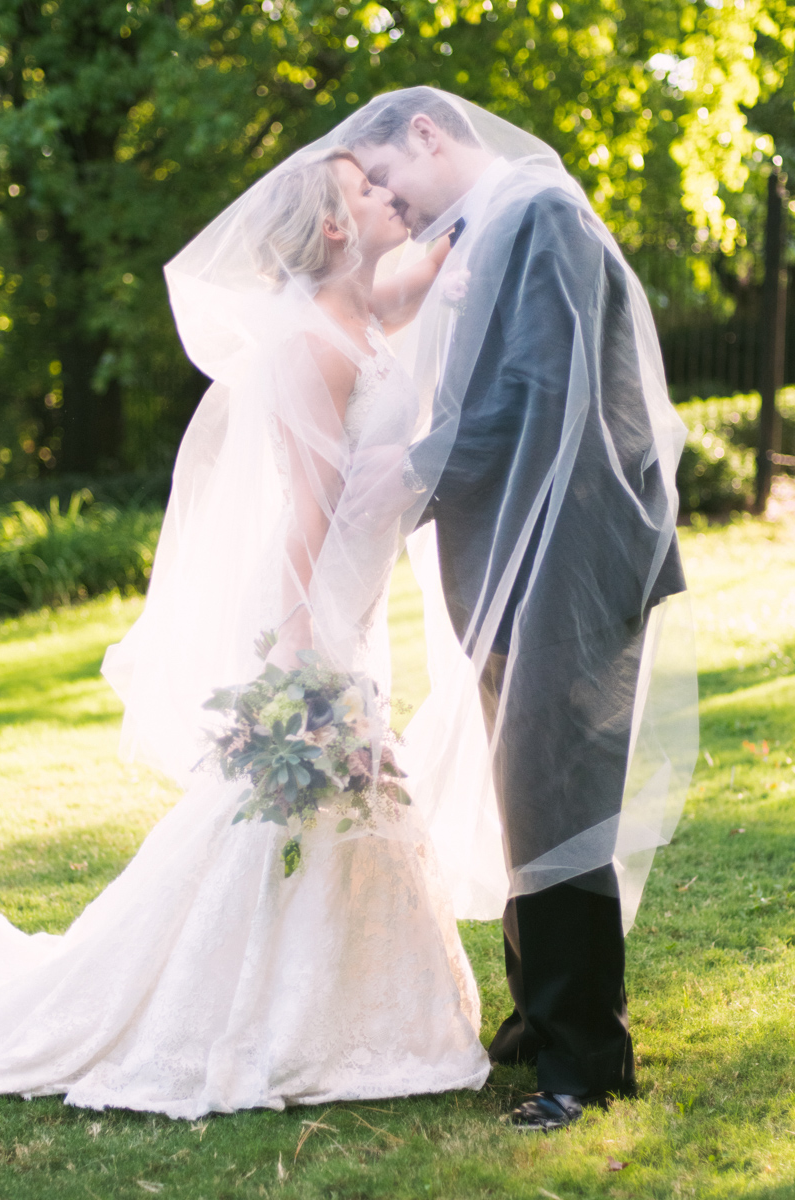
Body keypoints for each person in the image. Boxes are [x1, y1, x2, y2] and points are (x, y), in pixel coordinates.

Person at [0, 146, 491, 1118]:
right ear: (337, 227)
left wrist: (468, 204)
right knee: (280, 807)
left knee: (312, 808)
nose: (390, 197)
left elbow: (420, 278)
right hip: (313, 611)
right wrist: (301, 654)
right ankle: (256, 1009)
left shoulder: (359, 314)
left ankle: (345, 1003)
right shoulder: (314, 339)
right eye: (367, 190)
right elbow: (306, 513)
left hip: (345, 604)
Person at [333, 88, 698, 1131]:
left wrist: (400, 480)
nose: (387, 206)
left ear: (427, 134)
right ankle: (541, 1022)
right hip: (525, 554)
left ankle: (584, 1057)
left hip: (571, 552)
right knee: (522, 787)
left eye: (386, 180)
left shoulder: (533, 213)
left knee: (557, 792)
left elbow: (535, 391)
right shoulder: (487, 226)